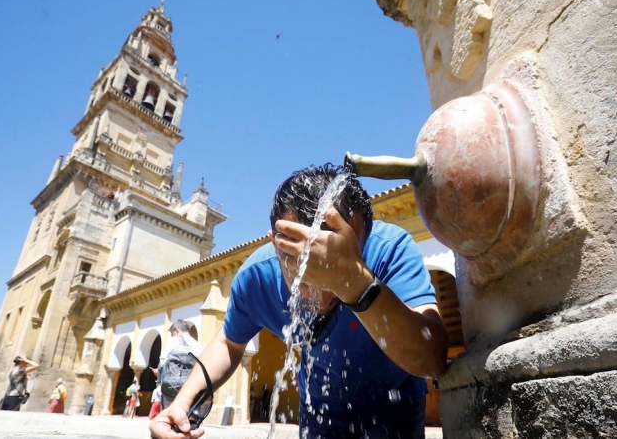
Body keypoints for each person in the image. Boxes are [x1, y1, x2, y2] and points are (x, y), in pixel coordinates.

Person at [149, 164, 449, 439]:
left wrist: (356, 283)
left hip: (396, 406)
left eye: (336, 264)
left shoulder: (390, 250)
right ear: (276, 243)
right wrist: (182, 403)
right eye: (304, 267)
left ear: (363, 239)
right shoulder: (256, 278)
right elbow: (229, 343)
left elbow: (432, 357)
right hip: (319, 411)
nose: (323, 290)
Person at [152, 319, 204, 409]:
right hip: (192, 387)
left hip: (173, 387)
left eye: (172, 333)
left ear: (177, 329)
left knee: (169, 415)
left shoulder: (174, 341)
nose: (172, 335)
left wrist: (158, 373)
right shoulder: (198, 346)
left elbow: (162, 363)